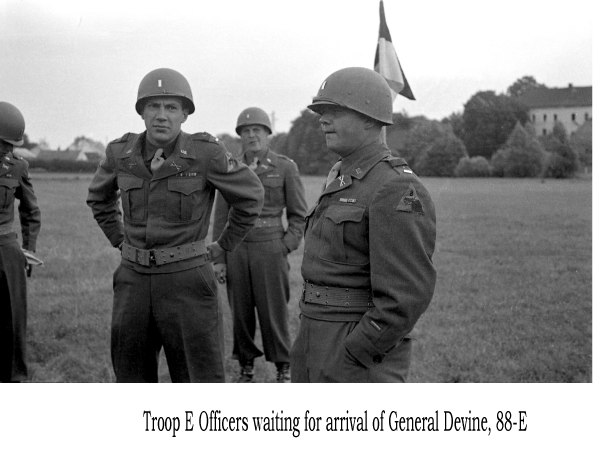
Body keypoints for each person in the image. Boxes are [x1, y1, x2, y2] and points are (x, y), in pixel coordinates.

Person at [86, 68, 264, 383]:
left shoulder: (205, 153)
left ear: (184, 114)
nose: (161, 116)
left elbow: (250, 197)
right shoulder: (120, 153)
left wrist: (224, 245)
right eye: (153, 106)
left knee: (198, 379)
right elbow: (99, 198)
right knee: (131, 377)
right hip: (133, 282)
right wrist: (119, 241)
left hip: (187, 281)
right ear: (141, 112)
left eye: (171, 108)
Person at [290, 67, 437, 383]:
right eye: (322, 112)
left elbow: (405, 295)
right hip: (315, 336)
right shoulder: (342, 178)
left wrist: (355, 352)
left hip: (354, 350)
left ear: (371, 119)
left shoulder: (393, 186)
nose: (323, 120)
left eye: (336, 111)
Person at [212, 107, 307, 383]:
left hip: (271, 247)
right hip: (237, 248)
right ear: (240, 136)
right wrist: (219, 257)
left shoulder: (285, 167)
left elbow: (299, 214)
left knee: (274, 310)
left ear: (268, 134)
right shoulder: (230, 168)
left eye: (257, 130)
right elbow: (221, 217)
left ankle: (283, 367)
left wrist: (285, 245)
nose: (251, 135)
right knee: (240, 312)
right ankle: (245, 367)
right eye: (246, 131)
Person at [0, 101, 42, 383]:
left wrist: (29, 248)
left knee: (12, 327)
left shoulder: (17, 167)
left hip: (6, 253)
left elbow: (31, 210)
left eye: (13, 145)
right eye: (3, 143)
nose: (9, 150)